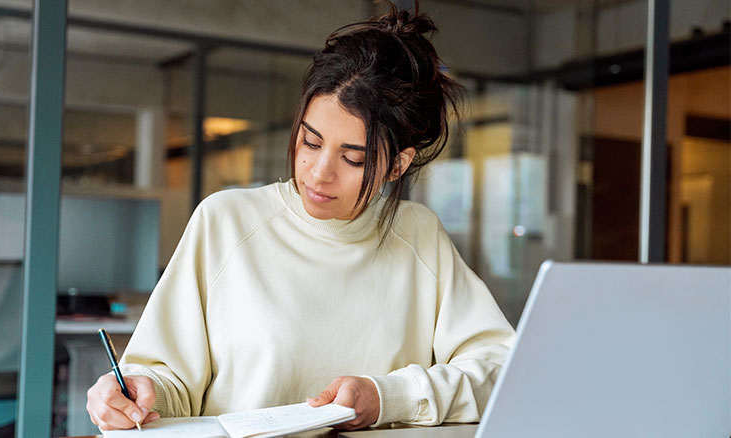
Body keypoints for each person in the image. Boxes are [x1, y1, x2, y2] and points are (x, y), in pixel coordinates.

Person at [86, 2, 515, 431]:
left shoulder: (419, 236)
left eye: (352, 158)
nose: (319, 173)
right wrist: (136, 391)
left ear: (397, 166)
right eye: (310, 143)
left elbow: (500, 371)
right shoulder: (226, 222)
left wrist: (388, 398)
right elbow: (169, 383)